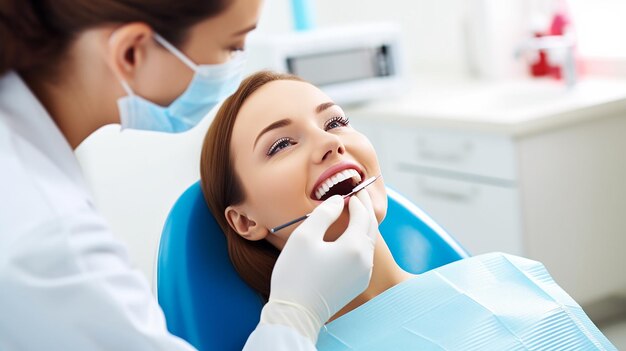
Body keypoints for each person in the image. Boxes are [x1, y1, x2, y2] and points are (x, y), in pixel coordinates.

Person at [0, 1, 378, 350]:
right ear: (133, 52)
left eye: (337, 121)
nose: (330, 143)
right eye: (231, 46)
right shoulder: (45, 238)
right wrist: (296, 311)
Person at [200, 71, 618, 350]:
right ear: (245, 221)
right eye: (281, 144)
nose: (330, 143)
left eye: (335, 122)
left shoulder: (507, 273)